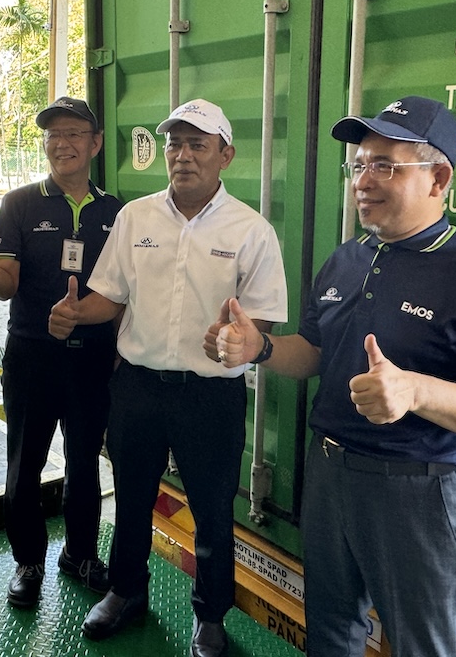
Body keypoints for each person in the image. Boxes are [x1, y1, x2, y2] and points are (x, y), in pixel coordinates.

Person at [213, 96, 456, 656]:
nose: (363, 181)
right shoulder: (346, 260)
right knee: (330, 633)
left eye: (385, 165)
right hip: (331, 475)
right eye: (359, 164)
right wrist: (259, 347)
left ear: (438, 178)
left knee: (423, 646)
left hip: (423, 492)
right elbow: (314, 353)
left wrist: (414, 390)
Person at [49, 99, 288, 657]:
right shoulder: (136, 218)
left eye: (197, 144)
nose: (182, 155)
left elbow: (262, 319)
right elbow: (110, 296)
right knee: (131, 496)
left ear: (225, 155)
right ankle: (126, 591)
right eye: (174, 144)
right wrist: (76, 313)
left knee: (212, 508)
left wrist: (240, 337)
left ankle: (210, 615)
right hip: (137, 386)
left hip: (210, 394)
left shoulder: (251, 230)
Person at [0, 96, 123, 608]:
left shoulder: (115, 212)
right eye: (53, 134)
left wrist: (115, 349)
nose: (62, 143)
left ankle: (79, 554)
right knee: (25, 464)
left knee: (85, 463)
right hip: (32, 356)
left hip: (92, 359)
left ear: (95, 144)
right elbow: (7, 285)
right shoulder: (20, 203)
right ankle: (28, 562)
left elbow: (122, 292)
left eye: (74, 133)